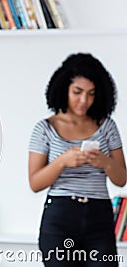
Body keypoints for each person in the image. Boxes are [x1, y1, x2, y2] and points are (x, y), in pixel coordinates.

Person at [28, 53, 126, 266]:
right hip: (60, 218)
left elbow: (121, 179)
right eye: (77, 92)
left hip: (99, 217)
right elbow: (35, 183)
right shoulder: (45, 128)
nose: (84, 101)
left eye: (91, 94)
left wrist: (105, 163)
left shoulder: (107, 126)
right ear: (64, 89)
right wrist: (63, 161)